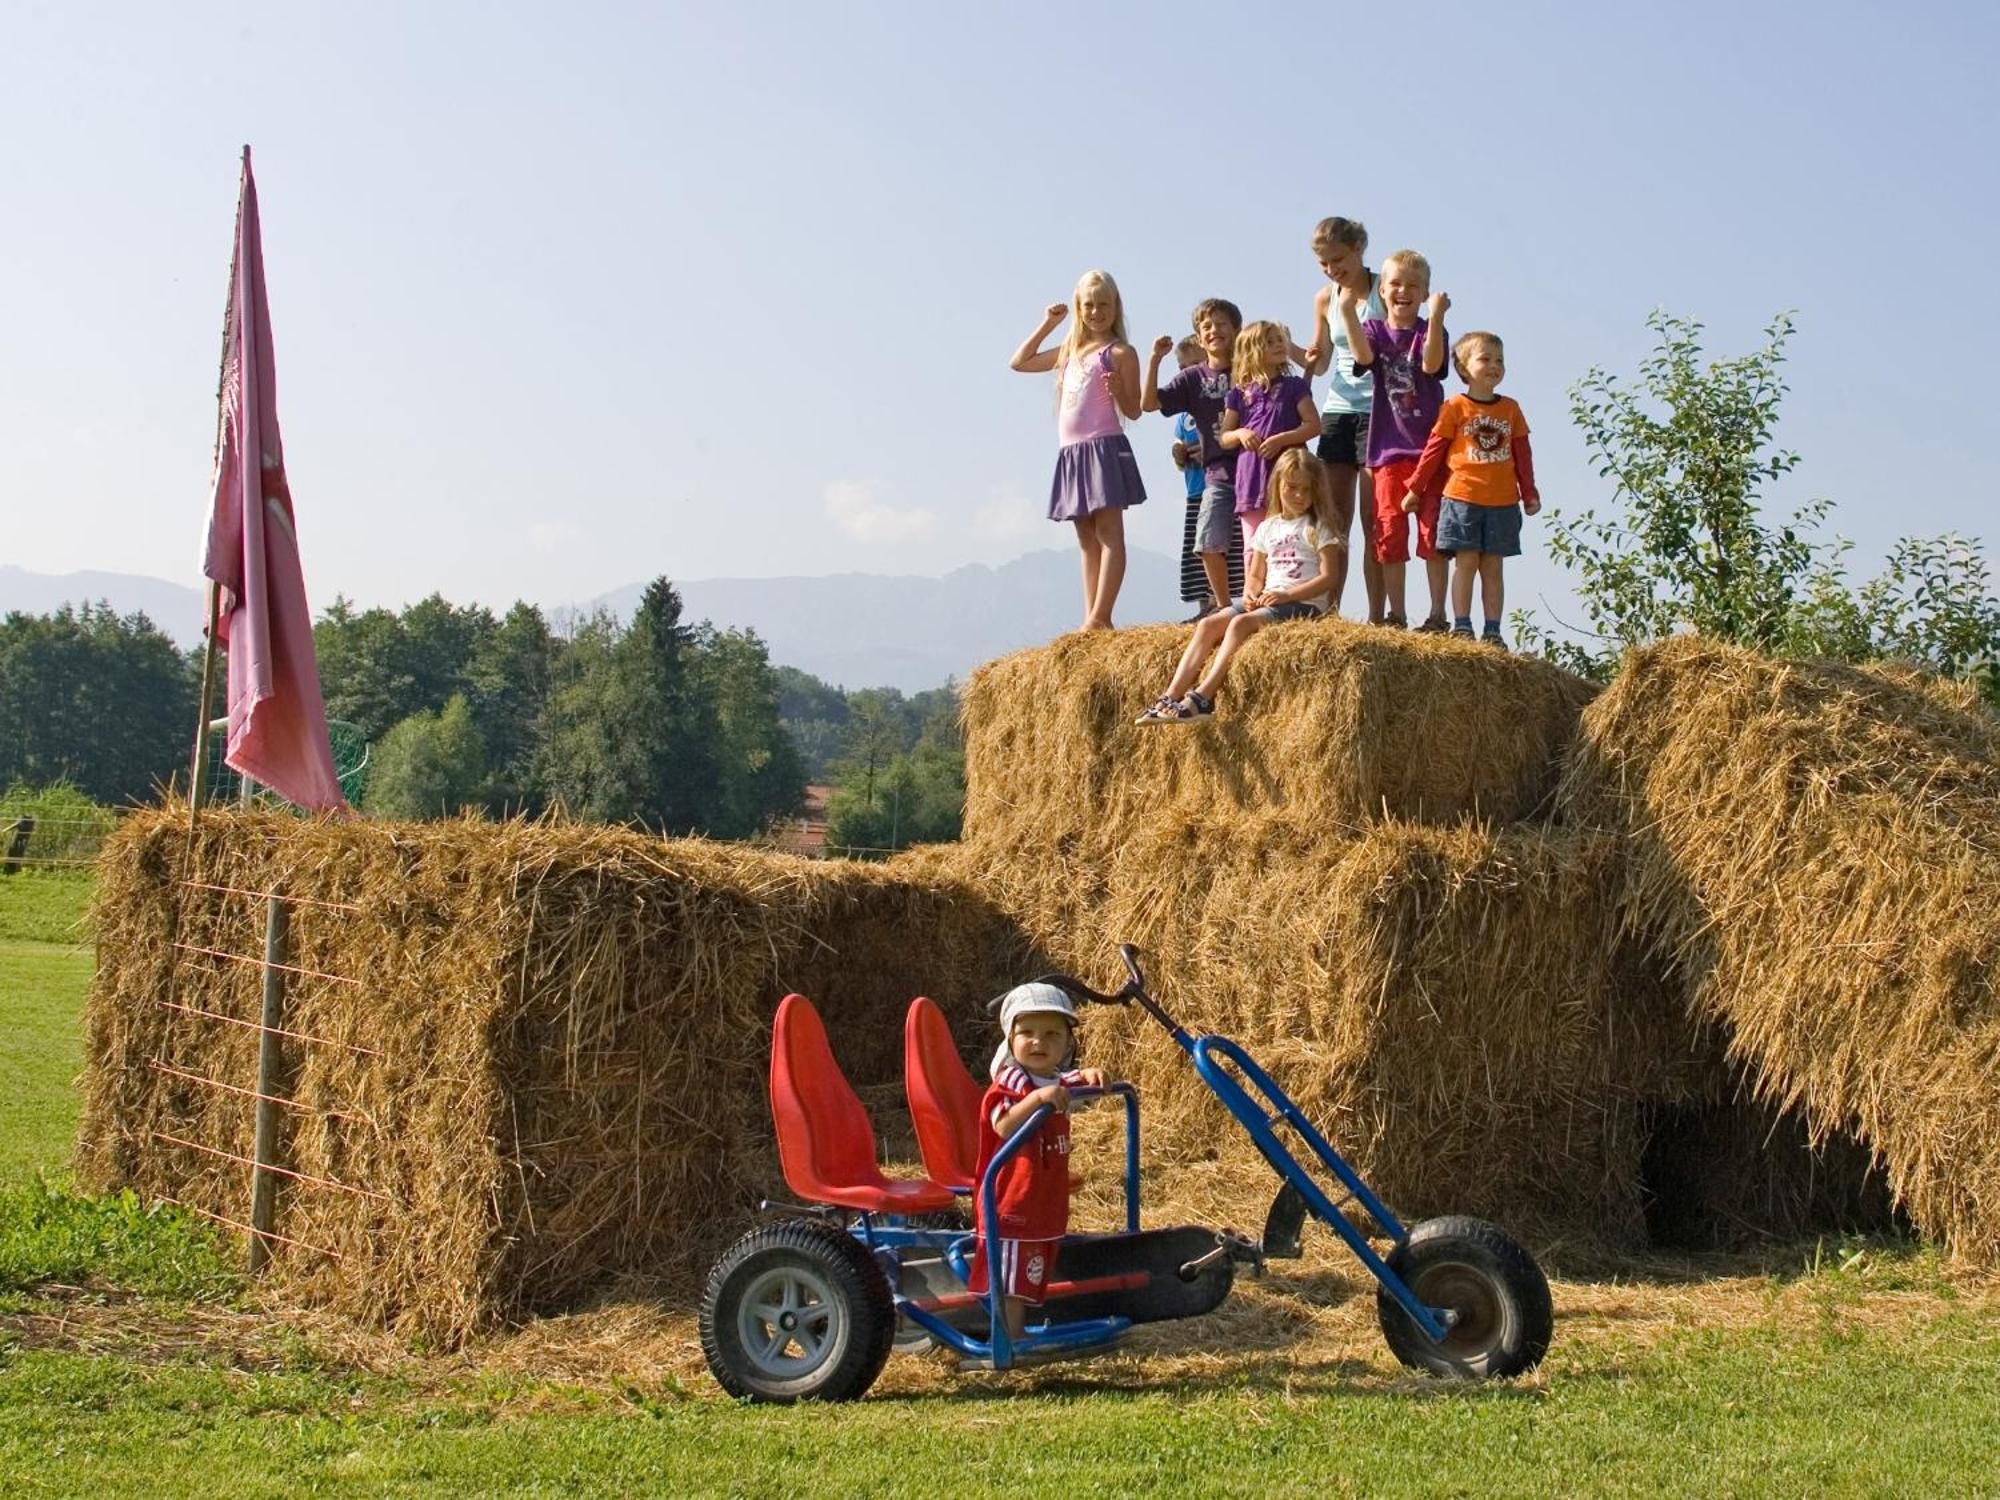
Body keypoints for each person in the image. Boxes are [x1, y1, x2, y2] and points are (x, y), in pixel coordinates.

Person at [1136, 449, 1341, 723]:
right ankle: (1169, 696)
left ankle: (1203, 696)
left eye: (1306, 490)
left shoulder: (1319, 527)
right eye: (1292, 487)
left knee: (1239, 625)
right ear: (1278, 484)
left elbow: (1329, 578)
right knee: (1208, 624)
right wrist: (1250, 594)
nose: (1299, 496)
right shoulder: (1268, 528)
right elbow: (1256, 575)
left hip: (1303, 605)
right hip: (1271, 600)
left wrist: (1286, 595)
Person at [1009, 271, 1147, 631]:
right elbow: (1020, 362)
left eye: (1104, 304)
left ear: (1115, 307)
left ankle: (1103, 615)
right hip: (1072, 452)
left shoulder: (1120, 352)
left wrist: (1118, 389)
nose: (1097, 311)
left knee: (1109, 532)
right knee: (1086, 537)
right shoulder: (1070, 352)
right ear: (1079, 308)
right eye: (1089, 305)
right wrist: (1048, 324)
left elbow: (1134, 410)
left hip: (1104, 447)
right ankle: (1091, 615)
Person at [970, 982, 1107, 1342]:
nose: (1038, 1042)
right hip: (1010, 1195)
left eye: (1051, 1035)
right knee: (1011, 1275)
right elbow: (1004, 1124)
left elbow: (1064, 1082)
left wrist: (1088, 1075)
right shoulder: (1012, 1080)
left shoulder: (1050, 1077)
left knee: (1032, 1264)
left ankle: (1021, 1332)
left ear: (1067, 1044)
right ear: (1010, 1037)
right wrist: (1038, 1100)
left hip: (1041, 1194)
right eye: (1027, 1033)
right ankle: (1009, 1339)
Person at [1404, 331, 1541, 649]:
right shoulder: (1455, 407)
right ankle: (1462, 624)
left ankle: (1492, 629)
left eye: (1500, 360)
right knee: (1465, 562)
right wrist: (1415, 488)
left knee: (1493, 566)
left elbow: (1523, 454)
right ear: (1464, 368)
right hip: (1462, 498)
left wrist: (1530, 492)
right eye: (1485, 359)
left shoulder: (1511, 409)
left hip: (1503, 501)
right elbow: (1433, 452)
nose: (1494, 365)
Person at [1337, 250, 1449, 631]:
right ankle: (1396, 614)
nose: (1404, 291)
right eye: (1396, 284)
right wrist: (1350, 314)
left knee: (1433, 532)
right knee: (1388, 533)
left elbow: (1433, 366)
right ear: (1382, 291)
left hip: (1429, 452)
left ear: (1425, 293)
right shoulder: (1375, 332)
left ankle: (1437, 614)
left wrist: (1436, 317)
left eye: (1413, 286)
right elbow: (1362, 355)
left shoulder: (1429, 331)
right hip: (1387, 451)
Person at [1299, 216, 1386, 622]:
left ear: (1358, 251)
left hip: (1380, 411)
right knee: (1335, 521)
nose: (1333, 270)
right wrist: (1287, 349)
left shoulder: (1385, 288)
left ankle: (1378, 616)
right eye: (1324, 264)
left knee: (1375, 520)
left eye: (1339, 260)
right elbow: (1319, 364)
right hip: (1338, 410)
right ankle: (1329, 614)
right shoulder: (1324, 298)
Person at [1146, 300, 1245, 615]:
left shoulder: (1250, 367)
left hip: (1255, 468)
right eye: (1207, 326)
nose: (1214, 330)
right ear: (1200, 339)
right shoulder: (1193, 378)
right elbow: (1149, 403)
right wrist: (1154, 360)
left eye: (1222, 324)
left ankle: (1261, 604)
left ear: (1237, 330)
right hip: (1217, 473)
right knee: (1207, 540)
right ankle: (1221, 608)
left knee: (1257, 543)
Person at [1218, 321, 1317, 555]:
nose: (1278, 345)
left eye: (1279, 340)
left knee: (1290, 541)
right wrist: (1241, 433)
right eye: (1269, 342)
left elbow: (1313, 425)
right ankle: (1252, 591)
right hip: (1252, 477)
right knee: (1253, 546)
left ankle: (1286, 590)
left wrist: (1281, 440)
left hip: (1288, 476)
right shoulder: (1238, 394)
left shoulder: (1295, 386)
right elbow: (1225, 437)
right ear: (1251, 350)